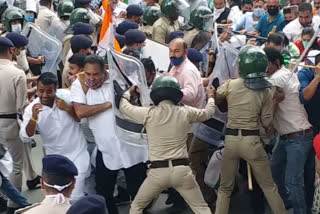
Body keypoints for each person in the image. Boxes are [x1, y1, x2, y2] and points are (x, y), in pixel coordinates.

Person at [117, 75, 215, 214]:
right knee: (201, 208)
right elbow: (208, 113)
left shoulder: (148, 113)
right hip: (182, 171)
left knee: (137, 207)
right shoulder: (186, 111)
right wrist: (211, 96)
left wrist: (128, 92)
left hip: (157, 173)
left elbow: (123, 106)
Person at [71, 55, 148, 214]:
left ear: (104, 71)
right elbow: (80, 112)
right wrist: (109, 104)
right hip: (105, 148)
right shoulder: (79, 85)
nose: (91, 78)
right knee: (104, 192)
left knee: (139, 191)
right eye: (88, 74)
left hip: (130, 146)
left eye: (95, 74)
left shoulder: (119, 81)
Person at [214, 45, 286, 214]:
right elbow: (267, 122)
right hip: (252, 142)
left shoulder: (230, 85)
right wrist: (276, 101)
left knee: (225, 189)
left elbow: (216, 98)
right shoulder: (266, 90)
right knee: (269, 187)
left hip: (231, 140)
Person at [19, 72, 90, 202]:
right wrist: (34, 119)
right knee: (58, 198)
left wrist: (68, 109)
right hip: (55, 159)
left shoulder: (68, 98)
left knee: (75, 195)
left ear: (56, 89)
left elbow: (83, 120)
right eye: (41, 91)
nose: (44, 95)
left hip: (77, 153)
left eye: (49, 91)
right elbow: (25, 137)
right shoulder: (31, 109)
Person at [264, 47, 314, 214]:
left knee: (293, 180)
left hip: (298, 137)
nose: (261, 67)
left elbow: (268, 87)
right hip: (286, 137)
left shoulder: (279, 77)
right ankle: (286, 203)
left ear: (276, 63)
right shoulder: (282, 75)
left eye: (265, 64)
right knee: (274, 172)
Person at [168, 38, 216, 212]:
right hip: (182, 125)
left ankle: (208, 200)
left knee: (193, 166)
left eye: (177, 51)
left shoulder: (187, 70)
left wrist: (168, 91)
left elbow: (190, 93)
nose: (173, 55)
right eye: (171, 51)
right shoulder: (176, 67)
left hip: (192, 126)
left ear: (185, 52)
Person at [0, 37, 40, 213]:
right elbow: (21, 105)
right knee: (16, 165)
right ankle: (13, 204)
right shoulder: (17, 73)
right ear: (10, 51)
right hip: (9, 123)